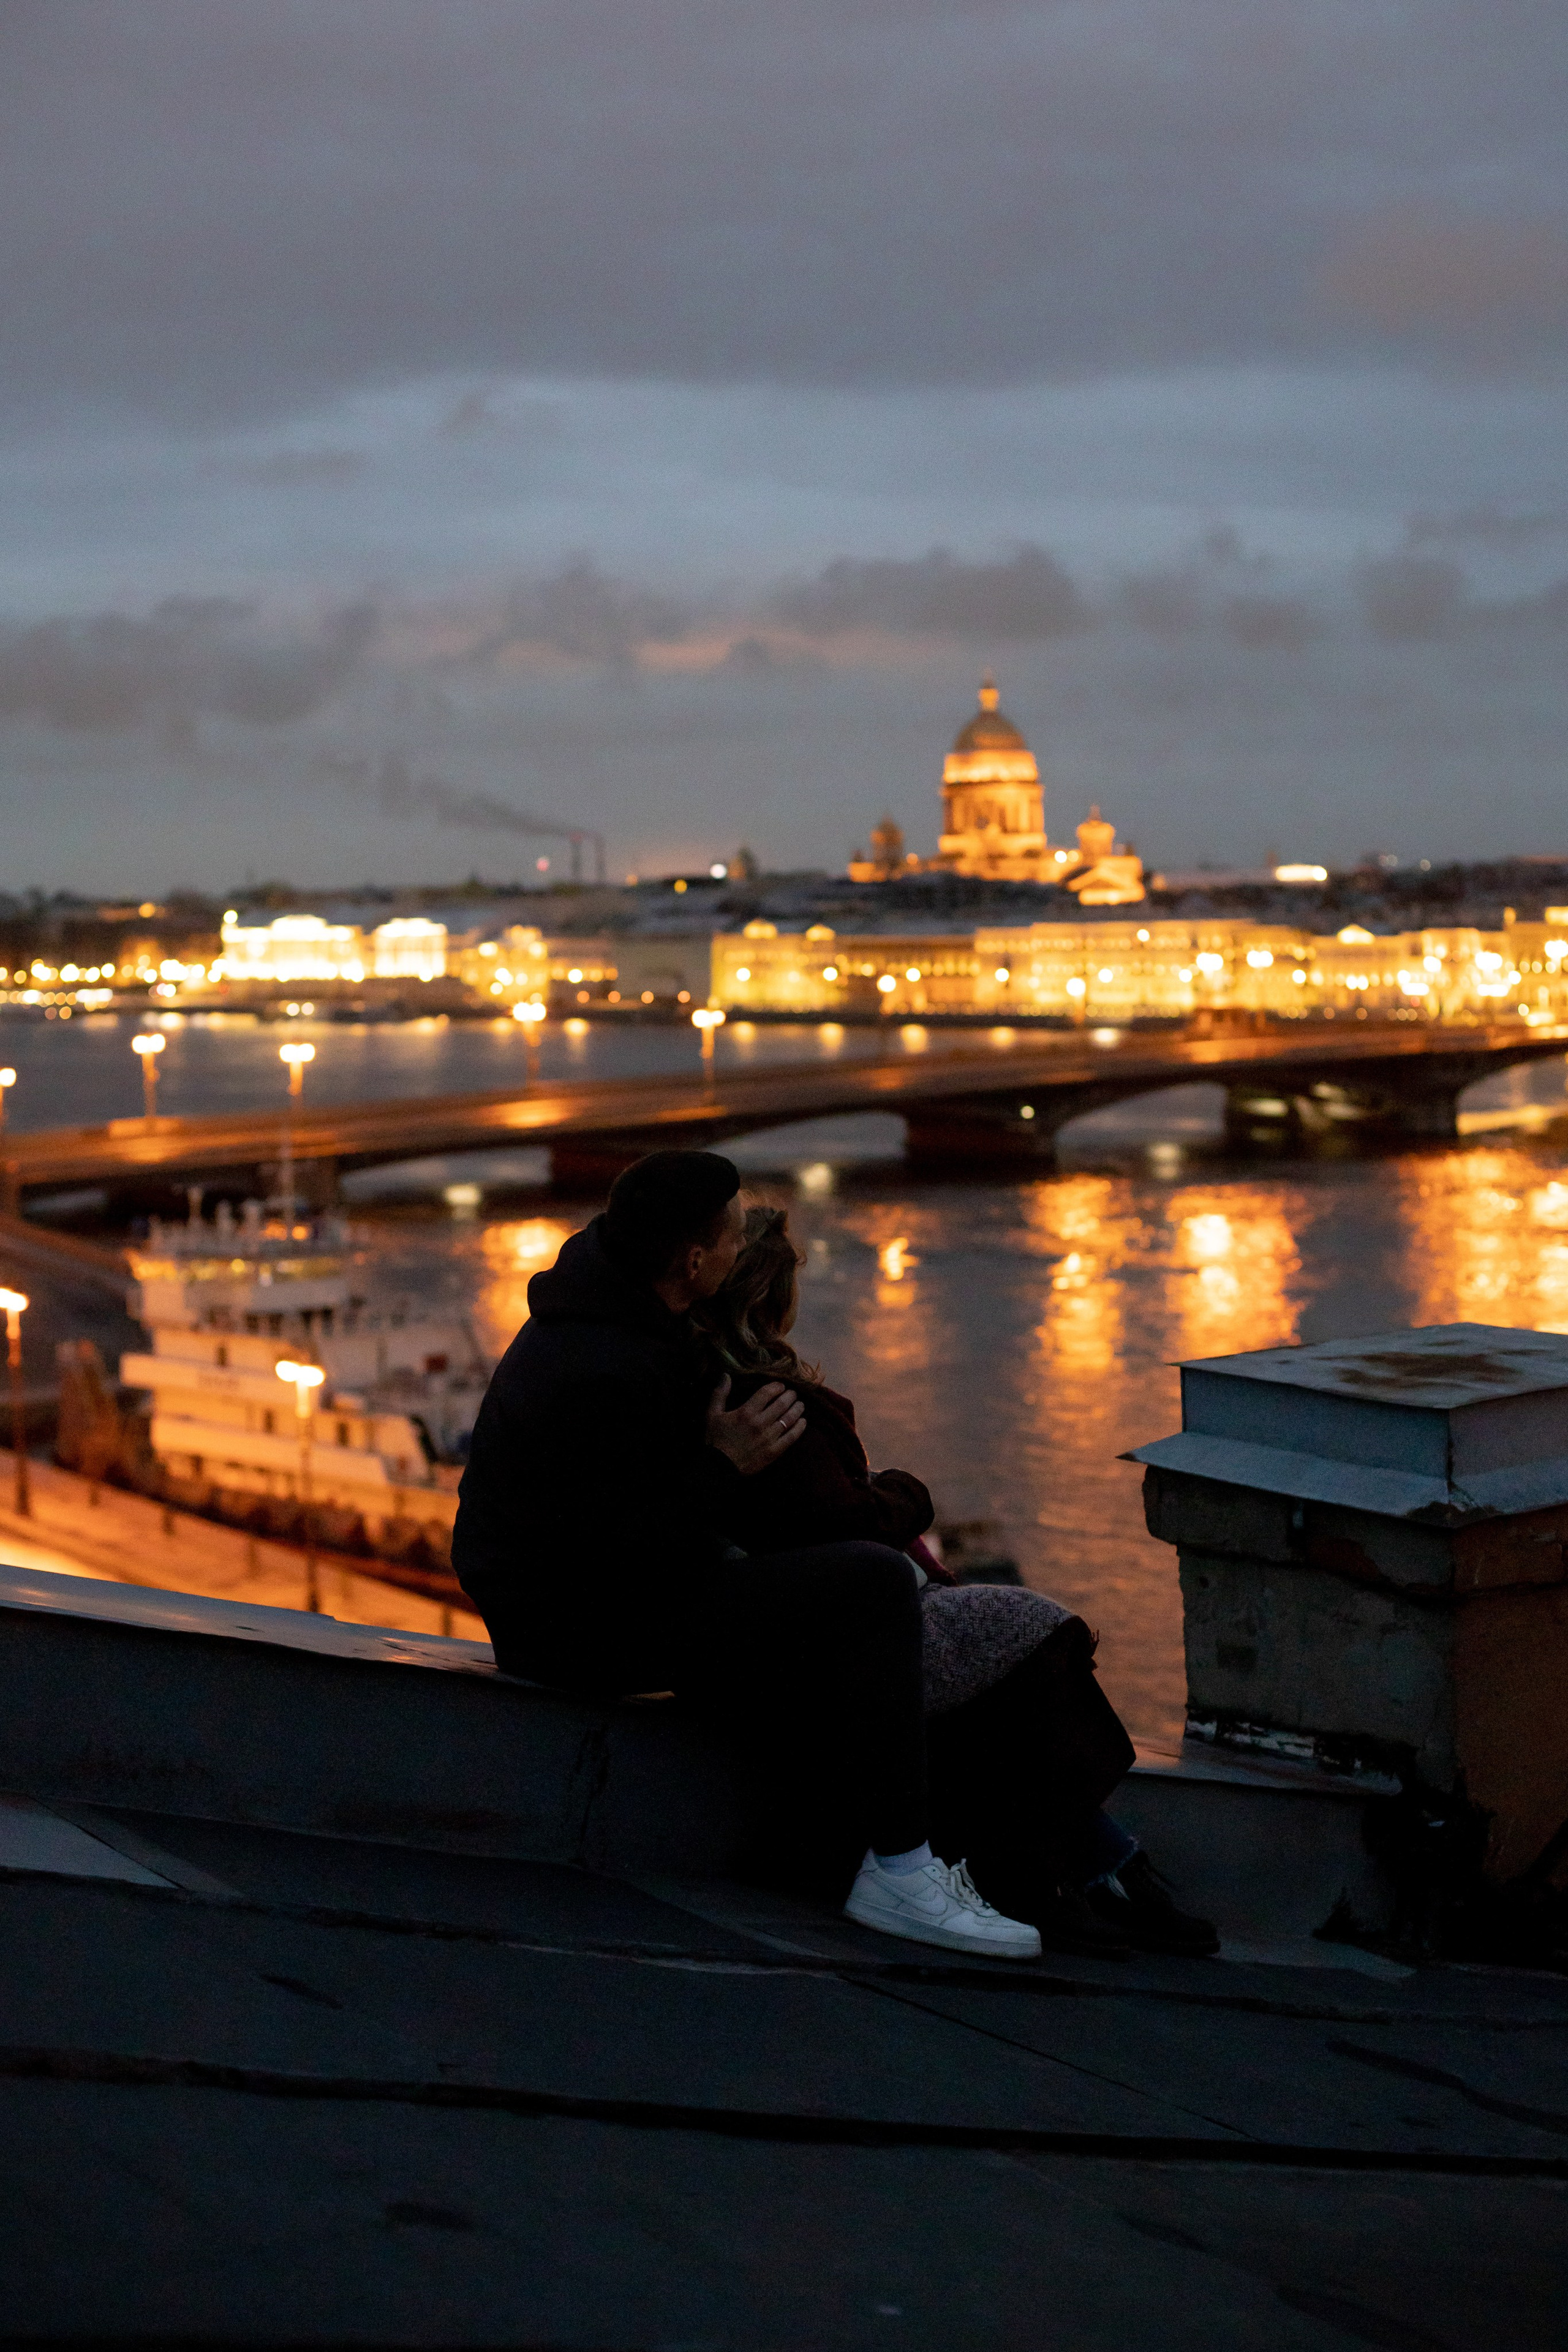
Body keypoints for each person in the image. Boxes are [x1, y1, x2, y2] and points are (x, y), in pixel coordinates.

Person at [453, 1149, 1044, 1962]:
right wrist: (723, 1468)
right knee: (870, 1583)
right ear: (694, 1262)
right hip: (572, 1633)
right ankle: (902, 1871)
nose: (742, 1249)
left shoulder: (610, 1317)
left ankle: (807, 1847)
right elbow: (610, 1552)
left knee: (808, 1599)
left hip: (579, 1604)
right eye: (733, 1237)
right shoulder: (607, 1366)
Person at [694, 1202, 1219, 1959]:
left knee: (1005, 1668)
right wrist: (908, 1493)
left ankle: (1081, 1867)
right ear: (772, 1300)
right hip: (838, 1624)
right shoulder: (770, 1399)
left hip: (822, 1611)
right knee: (1038, 1642)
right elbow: (839, 1519)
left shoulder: (721, 1388)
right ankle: (1064, 1869)